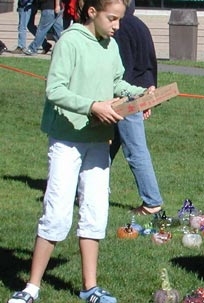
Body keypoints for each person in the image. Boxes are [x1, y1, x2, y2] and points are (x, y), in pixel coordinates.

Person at [7, 0, 149, 301]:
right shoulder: (69, 41)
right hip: (66, 140)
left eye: (120, 20)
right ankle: (31, 287)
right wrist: (92, 106)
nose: (117, 26)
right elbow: (55, 90)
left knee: (95, 212)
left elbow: (116, 83)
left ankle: (90, 288)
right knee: (57, 213)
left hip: (99, 140)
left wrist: (142, 94)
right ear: (92, 12)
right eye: (112, 19)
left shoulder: (110, 45)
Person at [110, 0, 163, 215]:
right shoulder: (140, 25)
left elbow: (123, 69)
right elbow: (150, 63)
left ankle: (152, 201)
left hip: (125, 97)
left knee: (135, 150)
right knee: (105, 147)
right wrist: (149, 94)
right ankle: (88, 189)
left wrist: (132, 98)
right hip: (137, 93)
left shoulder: (121, 28)